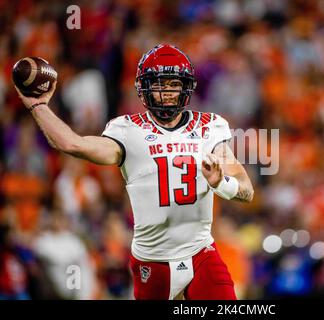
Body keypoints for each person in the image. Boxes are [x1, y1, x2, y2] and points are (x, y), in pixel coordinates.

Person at [14, 44, 254, 300]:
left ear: (186, 86)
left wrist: (221, 183)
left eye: (174, 84)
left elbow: (246, 191)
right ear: (145, 88)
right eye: (161, 84)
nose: (169, 92)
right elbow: (72, 144)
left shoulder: (210, 127)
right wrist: (38, 106)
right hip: (153, 260)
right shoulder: (128, 131)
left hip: (201, 253)